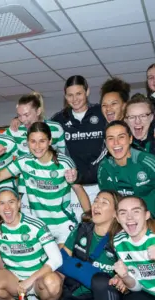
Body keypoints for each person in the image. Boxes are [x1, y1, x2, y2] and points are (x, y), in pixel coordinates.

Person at [35, 190, 121, 300]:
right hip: (80, 297)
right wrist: (89, 274)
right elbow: (60, 260)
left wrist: (75, 268)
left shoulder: (121, 238)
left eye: (104, 202)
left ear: (115, 213)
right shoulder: (82, 228)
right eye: (96, 200)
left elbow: (117, 281)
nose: (97, 205)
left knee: (102, 283)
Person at [0, 121, 87, 244]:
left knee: (63, 262)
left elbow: (79, 190)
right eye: (33, 141)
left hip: (63, 223)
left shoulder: (64, 163)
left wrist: (90, 220)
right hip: (39, 226)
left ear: (50, 141)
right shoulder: (24, 162)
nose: (37, 146)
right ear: (27, 142)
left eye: (42, 141)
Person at [97, 120, 155, 224]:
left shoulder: (147, 161)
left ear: (130, 139)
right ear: (106, 143)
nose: (116, 143)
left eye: (121, 137)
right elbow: (110, 203)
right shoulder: (104, 168)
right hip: (126, 225)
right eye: (111, 138)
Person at [50, 75, 107, 209]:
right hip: (74, 186)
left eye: (79, 94)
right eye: (70, 95)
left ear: (87, 92)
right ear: (65, 96)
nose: (74, 99)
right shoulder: (58, 120)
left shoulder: (101, 112)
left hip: (102, 184)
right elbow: (43, 137)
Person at [7, 92, 66, 157]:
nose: (22, 119)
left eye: (26, 115)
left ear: (38, 111)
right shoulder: (15, 129)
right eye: (19, 115)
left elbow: (63, 155)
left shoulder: (56, 128)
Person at [124, 93, 155, 174]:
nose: (137, 121)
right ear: (125, 120)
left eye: (143, 116)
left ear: (152, 117)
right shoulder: (122, 146)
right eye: (132, 117)